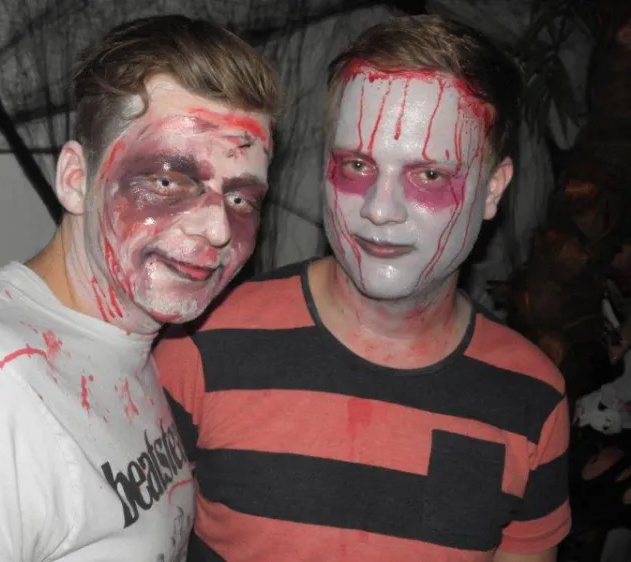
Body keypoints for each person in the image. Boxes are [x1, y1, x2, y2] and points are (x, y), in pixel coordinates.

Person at [156, 14, 570, 562]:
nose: (379, 208)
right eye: (357, 164)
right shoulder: (202, 343)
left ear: (493, 190)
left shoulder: (532, 398)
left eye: (429, 175)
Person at [0, 15, 281, 561]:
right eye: (168, 181)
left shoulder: (132, 339)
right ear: (75, 180)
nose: (216, 229)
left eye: (239, 199)